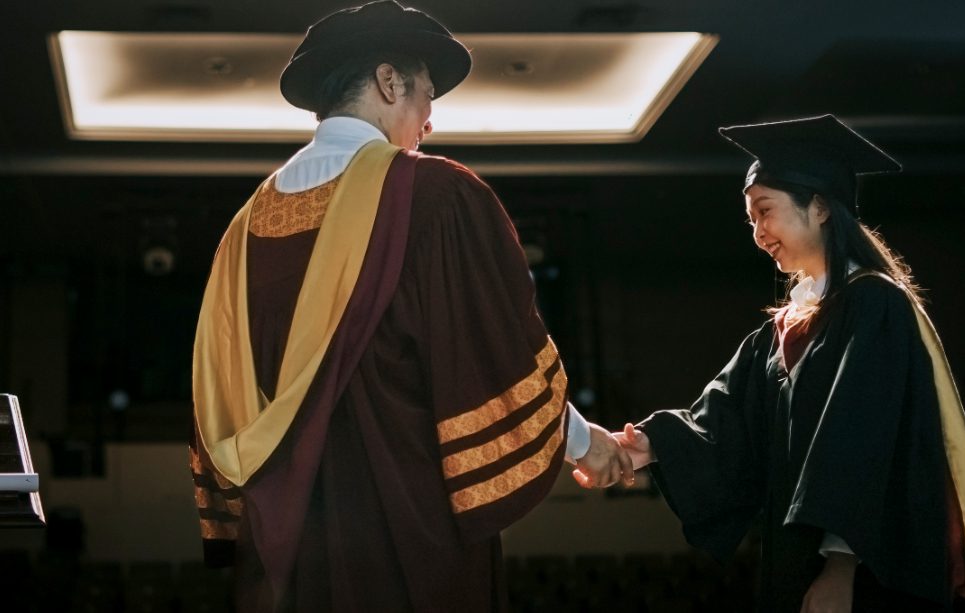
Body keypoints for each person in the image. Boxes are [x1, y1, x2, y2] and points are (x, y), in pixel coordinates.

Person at [187, 2, 632, 611]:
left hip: (286, 549)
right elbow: (491, 351)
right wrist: (586, 444)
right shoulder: (435, 195)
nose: (428, 121)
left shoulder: (242, 233)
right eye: (425, 96)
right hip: (405, 532)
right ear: (388, 81)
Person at [614, 115, 965, 612]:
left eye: (765, 211)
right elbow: (725, 418)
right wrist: (637, 446)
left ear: (819, 207)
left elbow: (862, 439)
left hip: (865, 568)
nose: (757, 232)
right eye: (750, 218)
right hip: (798, 554)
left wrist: (839, 566)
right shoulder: (785, 328)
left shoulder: (874, 305)